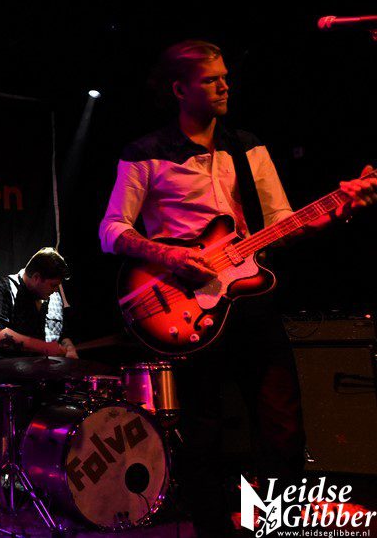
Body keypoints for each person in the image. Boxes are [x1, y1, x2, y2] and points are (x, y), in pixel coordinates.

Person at [98, 39, 376, 536]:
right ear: (180, 89)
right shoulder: (145, 153)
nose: (225, 85)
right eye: (212, 79)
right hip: (185, 309)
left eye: (225, 76)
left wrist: (339, 208)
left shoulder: (248, 147)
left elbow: (284, 222)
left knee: (283, 426)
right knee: (203, 432)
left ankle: (274, 524)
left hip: (251, 304)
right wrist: (173, 256)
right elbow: (111, 229)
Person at [0, 247, 79, 378]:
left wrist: (68, 347)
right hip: (2, 378)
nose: (55, 290)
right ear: (36, 277)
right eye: (53, 285)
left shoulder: (55, 297)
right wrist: (44, 347)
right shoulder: (1, 290)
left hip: (41, 377)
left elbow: (62, 334)